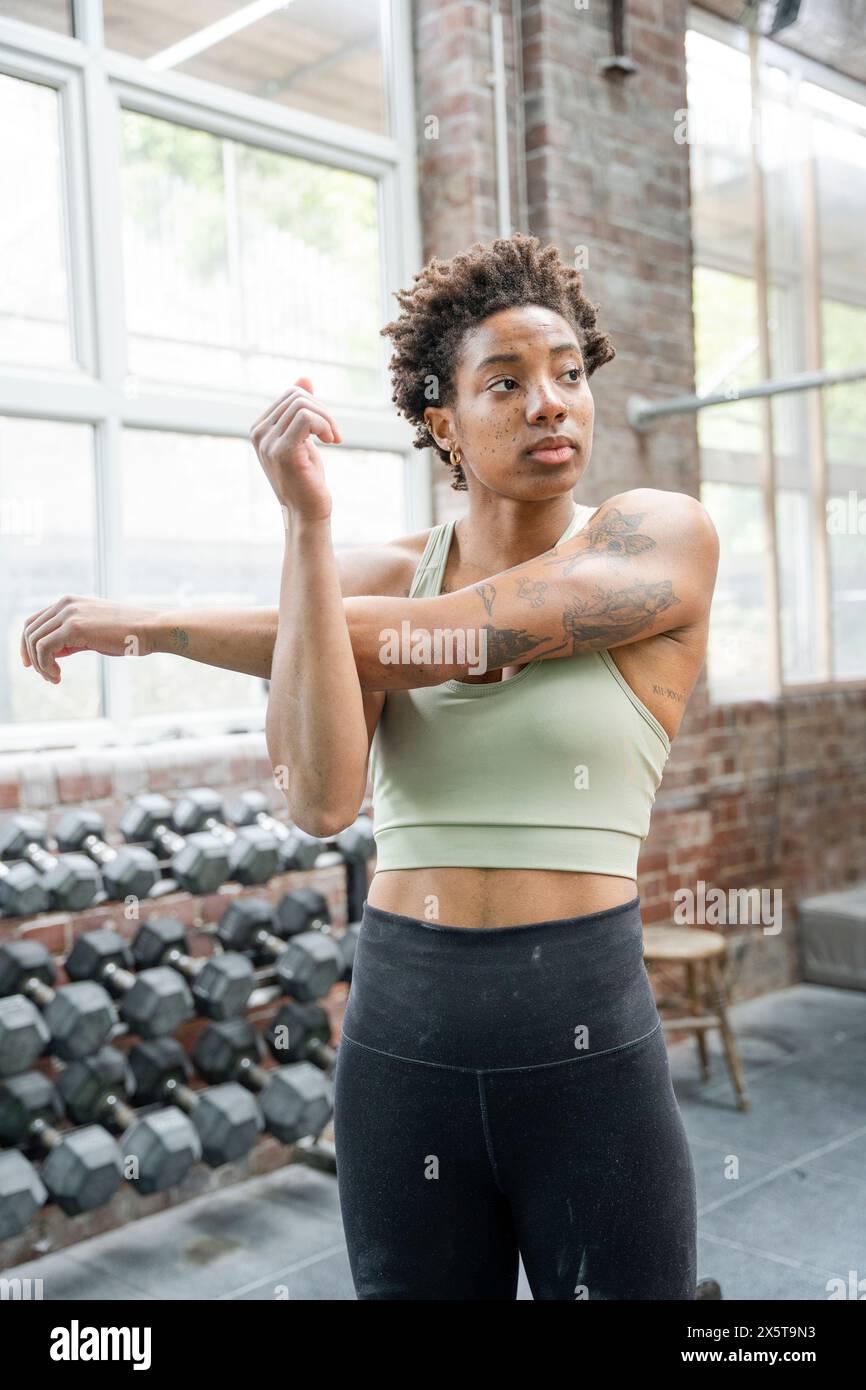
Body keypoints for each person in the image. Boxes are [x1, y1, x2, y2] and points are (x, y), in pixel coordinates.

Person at [21, 233, 719, 1300]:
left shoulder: (656, 536)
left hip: (584, 1039)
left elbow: (463, 635)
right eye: (506, 381)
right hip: (405, 1038)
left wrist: (157, 621)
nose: (550, 403)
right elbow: (317, 799)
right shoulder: (367, 574)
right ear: (440, 421)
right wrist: (306, 527)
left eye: (569, 373)